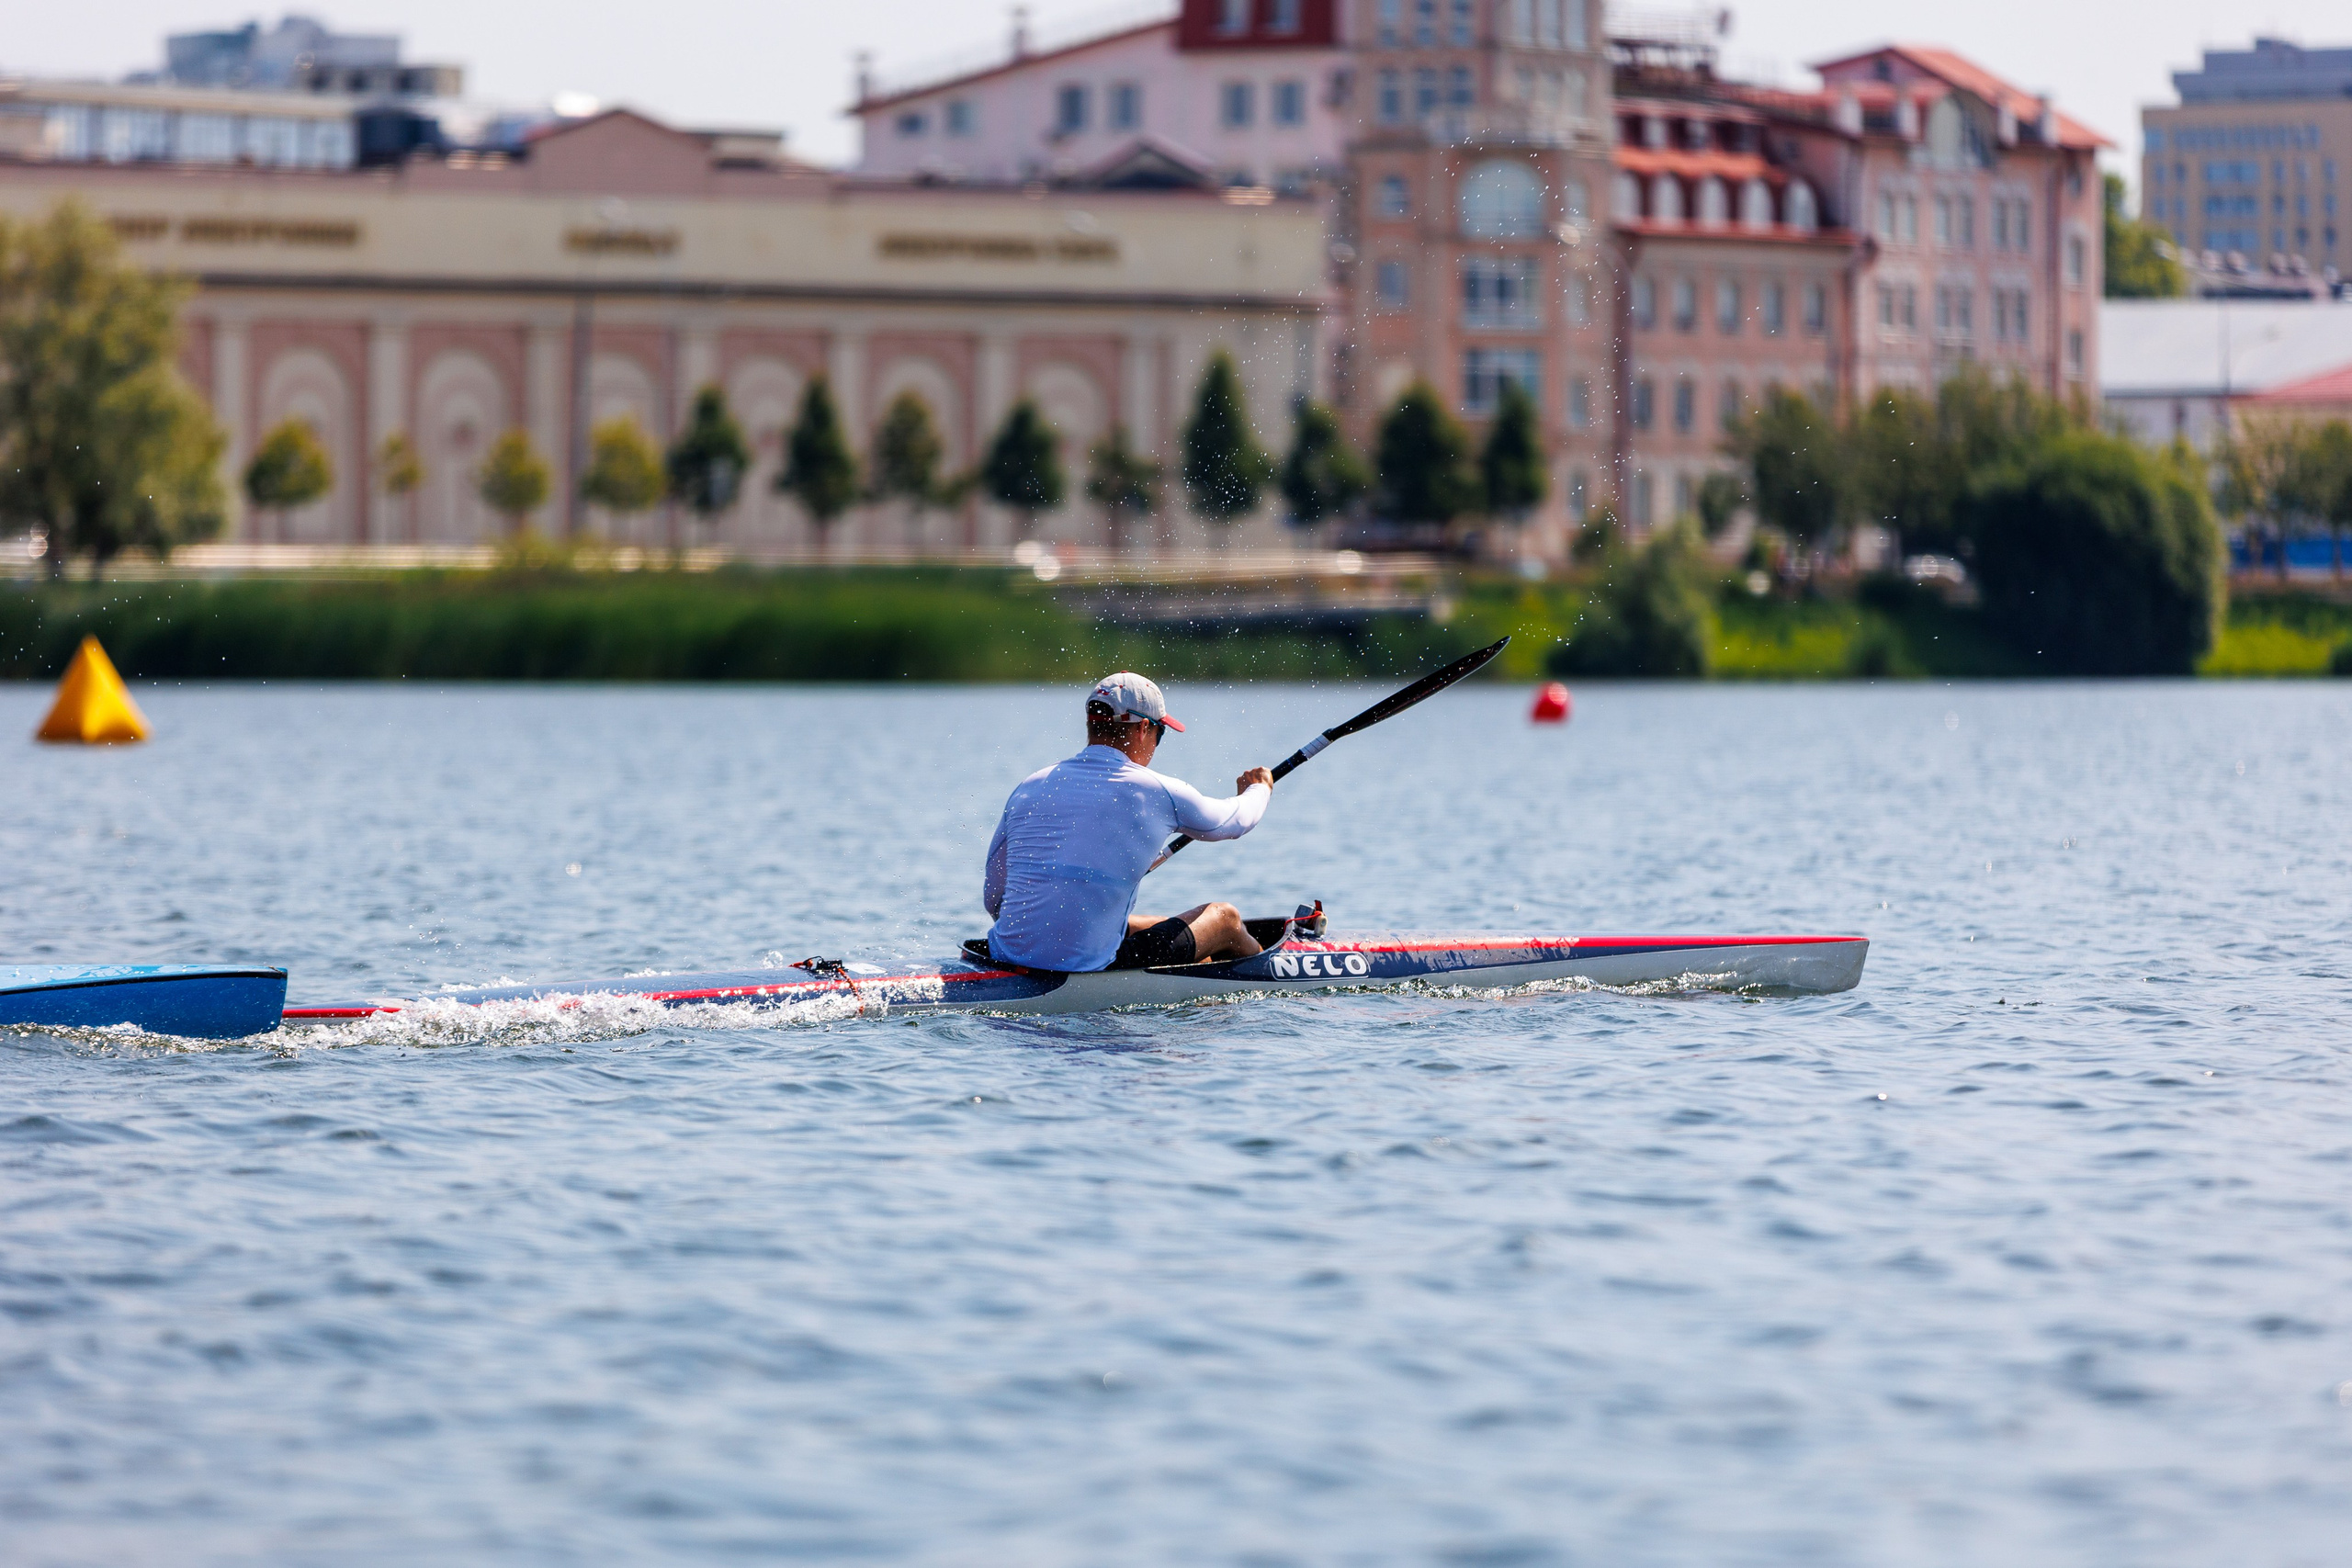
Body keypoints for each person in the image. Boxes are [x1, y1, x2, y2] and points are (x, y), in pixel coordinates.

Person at [983, 672, 1275, 973]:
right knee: (1224, 918)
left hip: (1004, 954)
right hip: (1088, 969)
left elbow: (993, 899)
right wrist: (1260, 788)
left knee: (1149, 923)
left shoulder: (1030, 786)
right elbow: (1236, 821)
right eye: (1160, 734)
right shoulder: (1156, 790)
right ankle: (1271, 967)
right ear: (1144, 728)